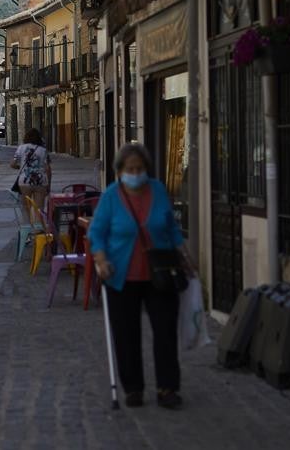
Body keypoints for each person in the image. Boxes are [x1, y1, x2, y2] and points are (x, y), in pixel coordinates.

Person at [88, 142, 186, 411]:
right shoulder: (111, 196)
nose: (135, 173)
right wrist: (101, 259)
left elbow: (171, 228)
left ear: (147, 169)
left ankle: (168, 388)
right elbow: (96, 233)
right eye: (130, 169)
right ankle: (133, 388)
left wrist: (185, 255)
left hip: (160, 273)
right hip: (121, 275)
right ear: (120, 172)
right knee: (126, 334)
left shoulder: (158, 190)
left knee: (165, 332)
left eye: (140, 168)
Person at [11, 129, 52, 236]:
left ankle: (27, 231)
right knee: (39, 208)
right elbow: (48, 169)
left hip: (25, 181)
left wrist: (21, 167)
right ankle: (38, 230)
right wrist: (48, 185)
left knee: (25, 207)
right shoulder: (43, 150)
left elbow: (12, 163)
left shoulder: (21, 148)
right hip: (40, 181)